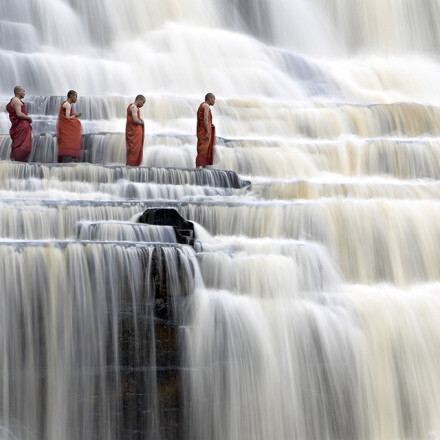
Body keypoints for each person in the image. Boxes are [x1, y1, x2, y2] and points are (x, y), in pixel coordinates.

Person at [6, 86, 33, 162]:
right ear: (18, 92)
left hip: (19, 126)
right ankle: (19, 162)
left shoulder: (15, 100)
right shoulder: (16, 100)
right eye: (23, 91)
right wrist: (28, 118)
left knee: (22, 145)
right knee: (23, 146)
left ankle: (19, 164)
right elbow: (19, 114)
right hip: (21, 125)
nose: (24, 93)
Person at [56, 90, 82, 162]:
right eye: (76, 97)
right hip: (64, 125)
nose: (76, 99)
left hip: (61, 124)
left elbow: (68, 115)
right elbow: (67, 118)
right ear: (71, 96)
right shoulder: (67, 105)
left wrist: (74, 115)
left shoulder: (65, 104)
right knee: (77, 123)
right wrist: (75, 115)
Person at [196, 92, 216, 168]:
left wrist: (210, 125)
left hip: (201, 130)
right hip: (204, 131)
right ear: (209, 99)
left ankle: (203, 170)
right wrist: (208, 132)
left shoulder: (202, 105)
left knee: (203, 149)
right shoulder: (206, 106)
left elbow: (202, 120)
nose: (214, 101)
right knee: (203, 149)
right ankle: (198, 169)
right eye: (214, 99)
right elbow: (205, 119)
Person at [125, 95, 146, 166]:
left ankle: (133, 167)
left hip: (134, 131)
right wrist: (142, 122)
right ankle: (132, 165)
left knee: (134, 149)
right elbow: (135, 120)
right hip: (134, 132)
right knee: (134, 149)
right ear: (139, 100)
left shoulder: (133, 107)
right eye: (143, 102)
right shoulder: (133, 107)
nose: (143, 104)